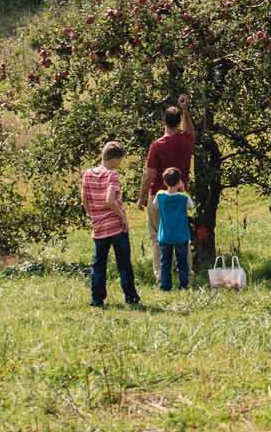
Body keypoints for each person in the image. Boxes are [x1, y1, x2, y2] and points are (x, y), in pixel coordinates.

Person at [81, 142, 141, 308]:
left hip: (99, 226)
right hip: (115, 225)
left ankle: (97, 298)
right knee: (123, 263)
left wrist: (92, 215)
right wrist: (122, 216)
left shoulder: (87, 174)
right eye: (120, 160)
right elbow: (110, 200)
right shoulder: (112, 175)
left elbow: (84, 200)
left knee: (99, 264)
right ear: (114, 159)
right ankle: (130, 296)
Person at [142, 95, 195, 242]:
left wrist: (142, 197)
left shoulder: (157, 145)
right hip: (180, 193)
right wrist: (185, 110)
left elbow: (150, 174)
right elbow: (191, 131)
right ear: (179, 122)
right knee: (181, 235)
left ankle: (162, 266)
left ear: (164, 122)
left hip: (159, 194)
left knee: (157, 237)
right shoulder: (186, 139)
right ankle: (185, 265)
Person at [153, 166, 193, 292]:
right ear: (179, 181)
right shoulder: (184, 198)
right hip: (181, 235)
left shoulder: (160, 196)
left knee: (165, 262)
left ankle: (165, 286)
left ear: (165, 182)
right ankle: (183, 285)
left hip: (165, 235)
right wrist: (183, 189)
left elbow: (155, 206)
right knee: (182, 262)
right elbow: (191, 207)